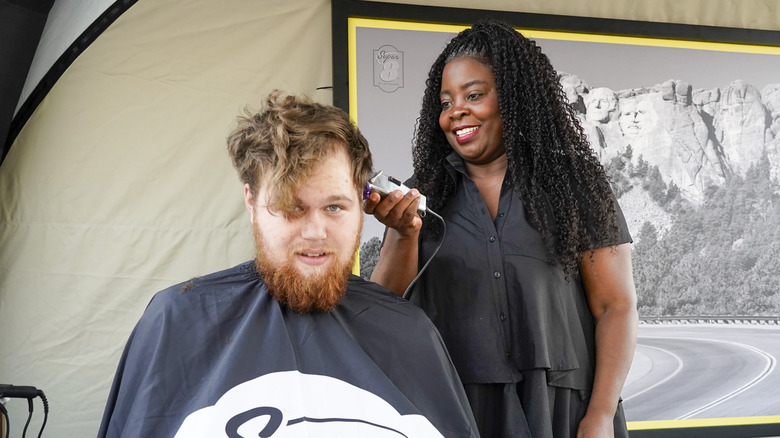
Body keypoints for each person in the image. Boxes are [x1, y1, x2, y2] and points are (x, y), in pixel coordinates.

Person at [98, 91, 479, 438]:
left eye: (334, 206)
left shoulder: (409, 331)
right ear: (251, 202)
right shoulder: (177, 320)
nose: (316, 232)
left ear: (363, 203)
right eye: (291, 207)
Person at [364, 20, 638, 438]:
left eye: (474, 95)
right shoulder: (421, 194)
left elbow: (614, 307)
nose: (456, 111)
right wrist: (404, 235)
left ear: (514, 98)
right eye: (445, 101)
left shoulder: (573, 183)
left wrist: (600, 414)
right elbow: (387, 308)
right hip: (459, 411)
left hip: (565, 413)